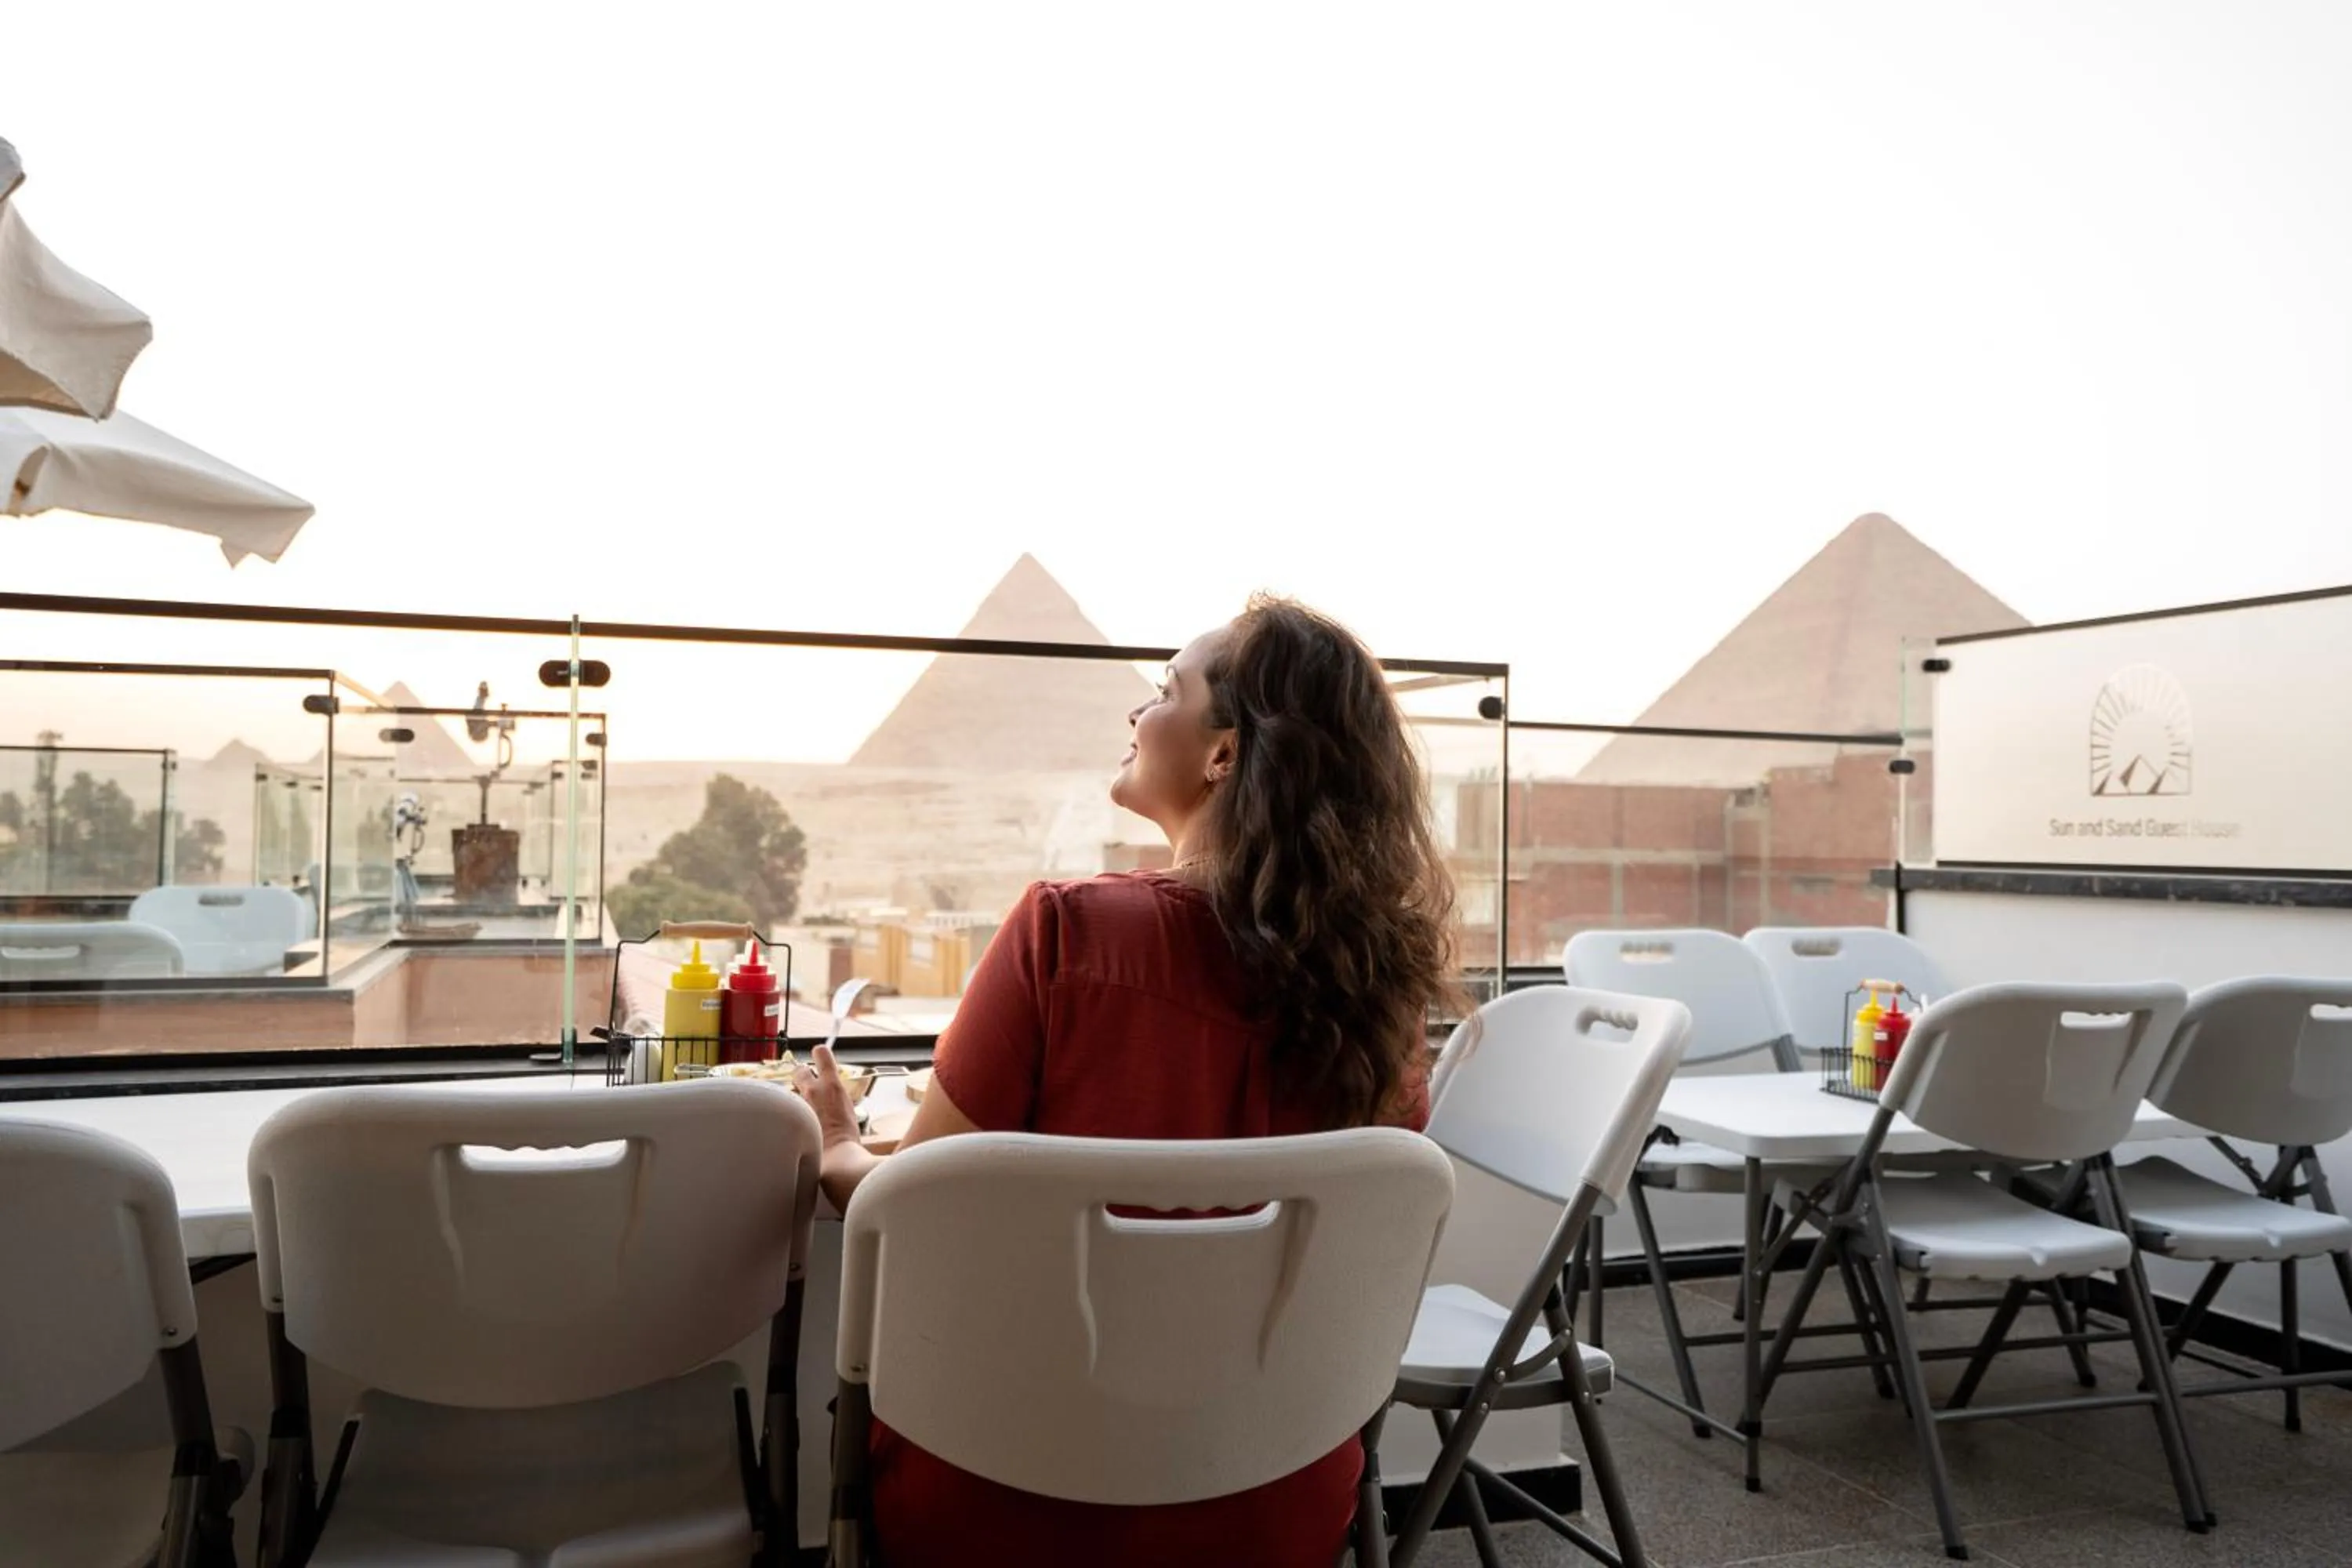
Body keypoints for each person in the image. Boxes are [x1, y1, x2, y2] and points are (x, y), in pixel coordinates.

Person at [795, 593, 1465, 1567]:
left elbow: (912, 1215)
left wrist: (841, 1143)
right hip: (1273, 1498)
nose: (1136, 714)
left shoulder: (1065, 932)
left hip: (1013, 1494)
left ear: (1224, 753)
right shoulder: (1390, 1001)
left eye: (1164, 690)